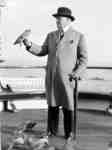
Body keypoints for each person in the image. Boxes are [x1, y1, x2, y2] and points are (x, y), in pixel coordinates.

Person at [22, 7, 88, 142]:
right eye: (56, 18)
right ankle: (51, 131)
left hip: (68, 79)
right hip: (52, 77)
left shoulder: (78, 36)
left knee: (68, 106)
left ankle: (69, 133)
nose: (57, 20)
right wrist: (28, 44)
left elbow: (83, 59)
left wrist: (77, 73)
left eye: (60, 18)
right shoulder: (51, 35)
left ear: (68, 20)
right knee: (52, 105)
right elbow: (42, 50)